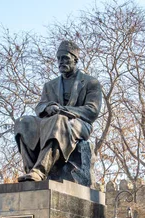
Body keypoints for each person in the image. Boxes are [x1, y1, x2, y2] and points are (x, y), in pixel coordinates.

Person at [14, 40, 102, 182]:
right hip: (50, 121)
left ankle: (40, 171)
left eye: (65, 58)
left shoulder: (90, 82)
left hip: (80, 125)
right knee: (23, 122)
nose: (61, 62)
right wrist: (48, 108)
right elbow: (40, 106)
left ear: (75, 59)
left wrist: (63, 110)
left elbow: (92, 110)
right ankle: (31, 170)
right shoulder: (50, 85)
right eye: (59, 58)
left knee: (59, 120)